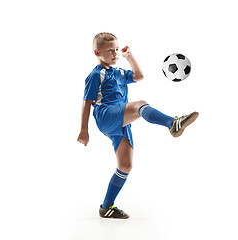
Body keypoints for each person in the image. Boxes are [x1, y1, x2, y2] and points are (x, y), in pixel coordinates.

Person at [77, 32, 199, 219]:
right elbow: (86, 102)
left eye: (116, 49)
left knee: (125, 165)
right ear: (97, 52)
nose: (115, 53)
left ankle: (106, 207)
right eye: (110, 50)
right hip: (106, 115)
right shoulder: (95, 75)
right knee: (139, 104)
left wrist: (129, 56)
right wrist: (84, 130)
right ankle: (172, 123)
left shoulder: (118, 72)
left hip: (121, 120)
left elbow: (139, 76)